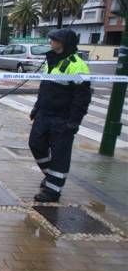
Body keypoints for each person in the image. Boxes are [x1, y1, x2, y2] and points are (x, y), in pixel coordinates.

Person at [29, 29, 91, 202]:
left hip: (63, 118)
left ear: (63, 42)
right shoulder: (51, 61)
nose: (51, 41)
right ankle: (51, 177)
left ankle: (53, 191)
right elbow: (45, 88)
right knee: (35, 144)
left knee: (60, 155)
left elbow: (82, 97)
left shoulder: (77, 65)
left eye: (54, 39)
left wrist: (74, 121)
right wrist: (36, 108)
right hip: (44, 113)